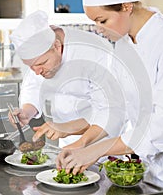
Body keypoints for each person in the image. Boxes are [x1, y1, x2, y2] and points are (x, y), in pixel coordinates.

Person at [55, 0, 163, 194]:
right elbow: (118, 108)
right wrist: (82, 143)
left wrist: (97, 150)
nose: (98, 29)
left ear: (127, 6)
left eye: (102, 21)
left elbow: (161, 130)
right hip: (151, 172)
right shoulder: (123, 45)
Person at [8, 10, 131, 149]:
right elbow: (34, 86)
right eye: (31, 67)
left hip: (105, 142)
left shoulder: (95, 52)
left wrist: (69, 131)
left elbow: (111, 111)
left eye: (41, 64)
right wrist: (26, 112)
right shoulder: (41, 54)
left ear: (56, 46)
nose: (36, 72)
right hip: (66, 139)